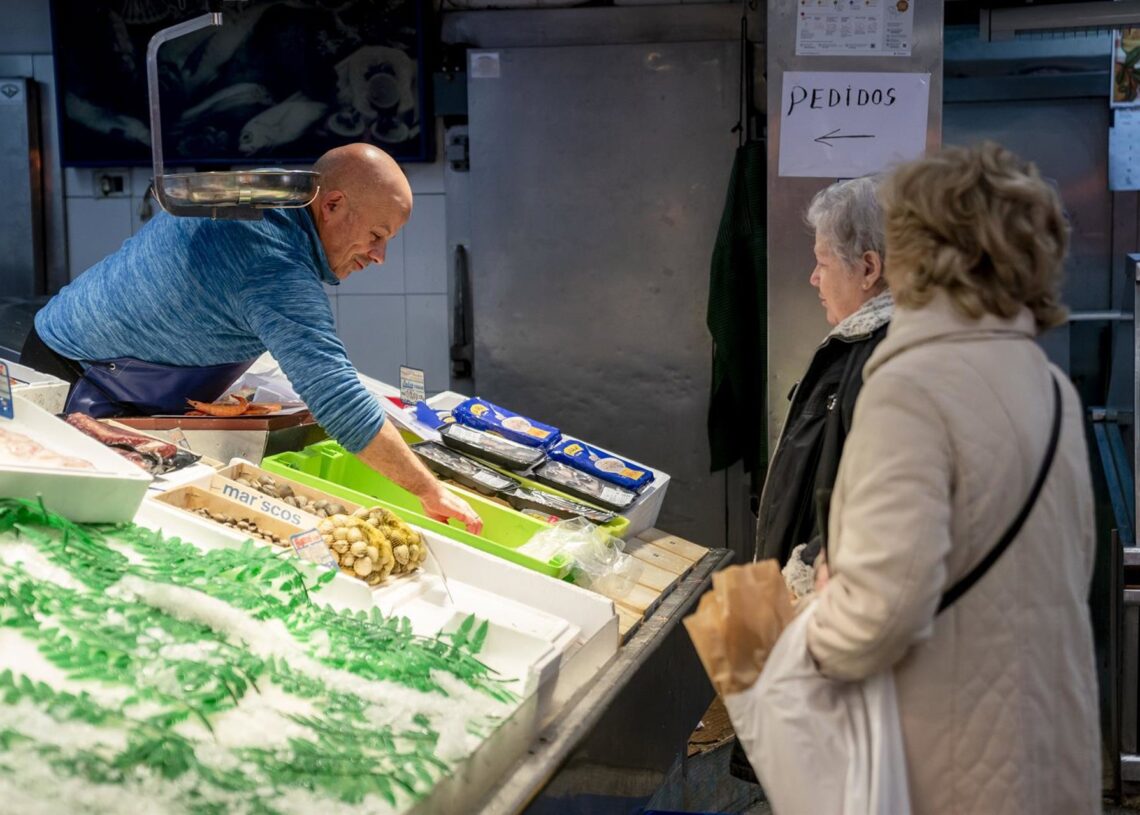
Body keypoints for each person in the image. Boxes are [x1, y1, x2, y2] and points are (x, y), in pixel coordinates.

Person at [807, 143, 1099, 813]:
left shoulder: (911, 388)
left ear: (919, 252)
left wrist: (816, 612)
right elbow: (1065, 569)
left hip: (949, 765)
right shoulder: (1051, 387)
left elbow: (878, 616)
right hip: (1050, 750)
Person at [21, 143, 482, 534]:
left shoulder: (272, 201)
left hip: (80, 348)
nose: (380, 256)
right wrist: (429, 490)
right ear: (333, 204)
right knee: (65, 527)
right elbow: (335, 394)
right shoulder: (272, 265)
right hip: (79, 380)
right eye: (376, 235)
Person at [753, 176, 893, 577]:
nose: (814, 277)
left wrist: (801, 582)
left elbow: (872, 520)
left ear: (868, 268)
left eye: (823, 262)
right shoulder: (860, 345)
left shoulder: (883, 361)